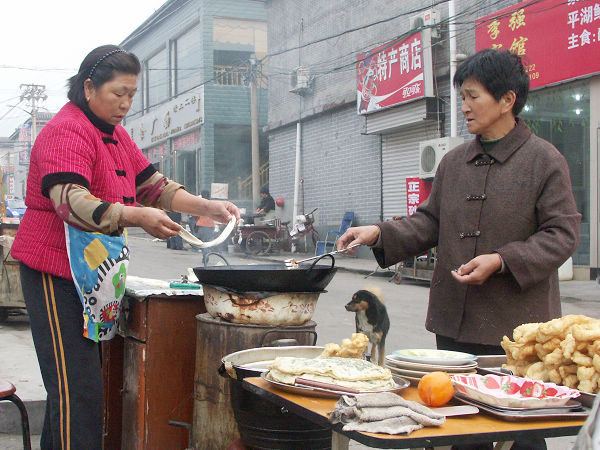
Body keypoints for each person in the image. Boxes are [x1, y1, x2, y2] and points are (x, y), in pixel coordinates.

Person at [337, 49, 581, 450]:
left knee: (518, 435)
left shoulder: (544, 161)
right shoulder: (453, 162)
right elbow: (430, 223)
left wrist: (503, 260)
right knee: (459, 429)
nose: (464, 107)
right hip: (455, 325)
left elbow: (561, 234)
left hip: (517, 329)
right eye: (461, 97)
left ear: (507, 100)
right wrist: (378, 234)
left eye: (472, 96)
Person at [11, 44, 239, 450]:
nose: (126, 104)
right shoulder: (66, 131)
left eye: (132, 95)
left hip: (92, 277)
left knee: (76, 389)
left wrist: (207, 207)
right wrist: (135, 216)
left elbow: (155, 186)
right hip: (54, 271)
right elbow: (71, 203)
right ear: (88, 88)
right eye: (118, 93)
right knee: (77, 390)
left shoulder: (116, 137)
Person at [196, 190, 216, 261]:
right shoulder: (212, 204)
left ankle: (205, 256)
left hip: (202, 226)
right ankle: (206, 255)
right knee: (207, 242)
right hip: (211, 226)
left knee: (203, 243)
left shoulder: (201, 204)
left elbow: (195, 214)